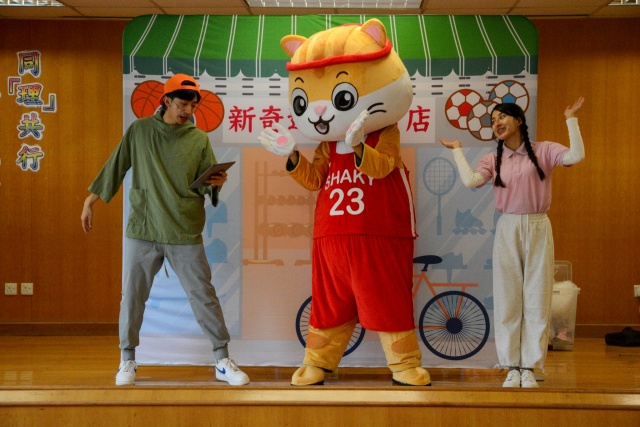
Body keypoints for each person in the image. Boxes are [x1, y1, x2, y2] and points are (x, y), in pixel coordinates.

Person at [80, 74, 250, 387]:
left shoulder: (199, 139)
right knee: (132, 297)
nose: (188, 110)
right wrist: (90, 201)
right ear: (166, 101)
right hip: (144, 227)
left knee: (204, 295)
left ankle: (222, 360)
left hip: (184, 228)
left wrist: (215, 183)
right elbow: (116, 165)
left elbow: (205, 186)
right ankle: (127, 360)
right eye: (183, 104)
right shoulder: (140, 131)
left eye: (193, 105)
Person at [439, 97, 585, 388]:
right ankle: (511, 367)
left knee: (537, 297)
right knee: (508, 298)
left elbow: (576, 156)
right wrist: (457, 151)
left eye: (502, 117)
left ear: (518, 120)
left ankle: (530, 366)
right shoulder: (493, 159)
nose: (497, 123)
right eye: (493, 120)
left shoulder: (543, 150)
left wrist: (571, 119)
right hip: (507, 227)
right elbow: (471, 181)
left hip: (538, 225)